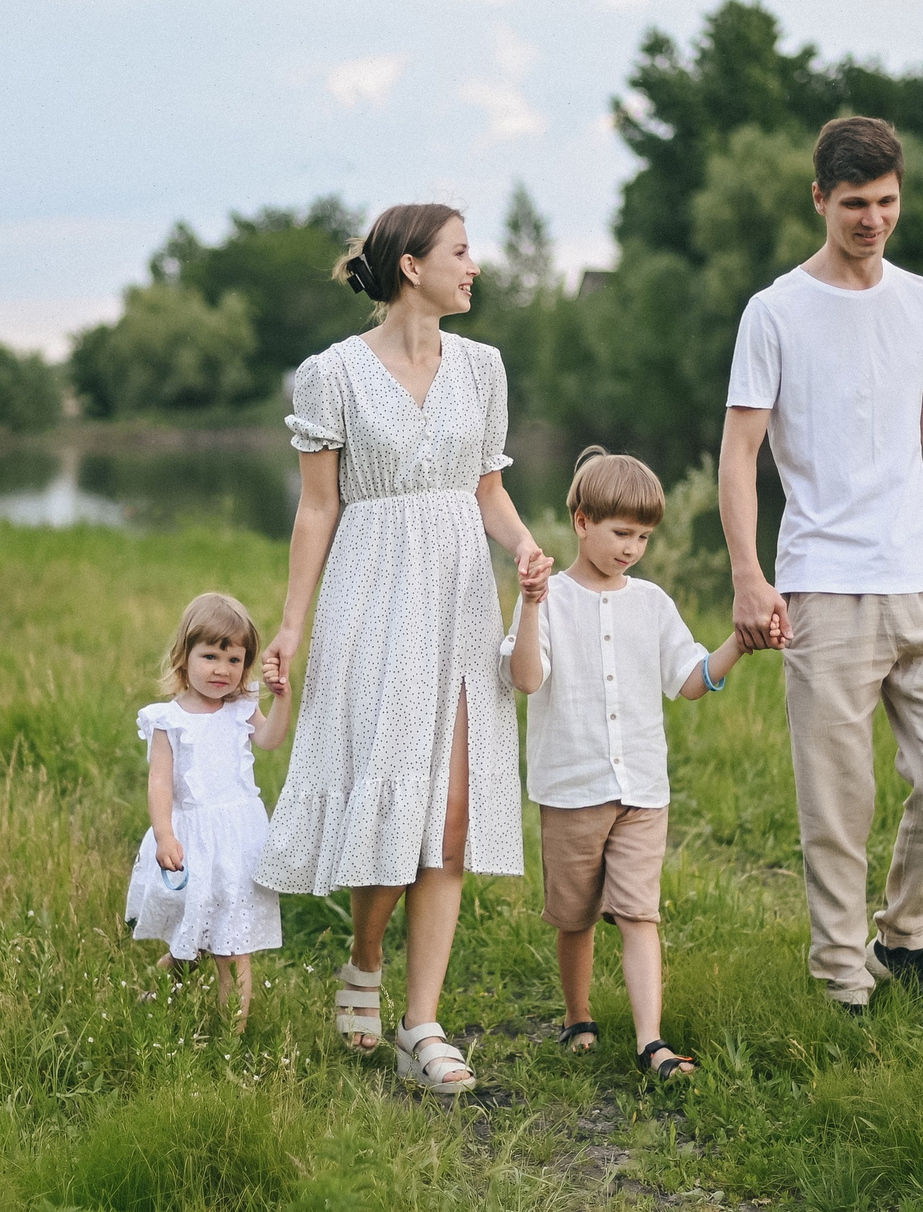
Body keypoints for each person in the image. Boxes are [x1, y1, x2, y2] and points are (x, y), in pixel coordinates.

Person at [718, 116, 923, 1015]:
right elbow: (740, 456)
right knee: (838, 797)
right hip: (822, 579)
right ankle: (841, 976)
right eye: (855, 204)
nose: (873, 220)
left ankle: (902, 935)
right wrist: (749, 573)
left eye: (887, 202)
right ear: (819, 198)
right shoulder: (774, 311)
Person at [256, 203, 554, 1095]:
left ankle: (421, 1024)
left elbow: (488, 489)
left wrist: (526, 547)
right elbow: (318, 506)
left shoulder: (484, 368)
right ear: (412, 265)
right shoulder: (332, 374)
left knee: (451, 811)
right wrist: (292, 626)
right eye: (462, 252)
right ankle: (364, 956)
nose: (476, 267)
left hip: (461, 593)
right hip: (371, 592)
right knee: (387, 793)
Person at [502, 447, 756, 1081]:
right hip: (571, 789)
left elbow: (690, 680)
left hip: (643, 788)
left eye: (643, 536)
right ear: (582, 521)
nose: (632, 548)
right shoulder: (550, 598)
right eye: (621, 533)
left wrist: (739, 644)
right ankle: (577, 1015)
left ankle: (651, 1043)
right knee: (575, 915)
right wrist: (531, 606)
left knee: (641, 912)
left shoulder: (653, 604)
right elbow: (527, 679)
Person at [125, 592, 292, 1029]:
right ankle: (158, 992)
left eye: (234, 659)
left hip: (238, 839)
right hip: (194, 836)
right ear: (185, 657)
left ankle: (230, 1038)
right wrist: (165, 835)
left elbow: (271, 739)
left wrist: (282, 699)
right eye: (211, 656)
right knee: (194, 936)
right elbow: (159, 782)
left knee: (232, 944)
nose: (222, 670)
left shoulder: (240, 708)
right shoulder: (168, 719)